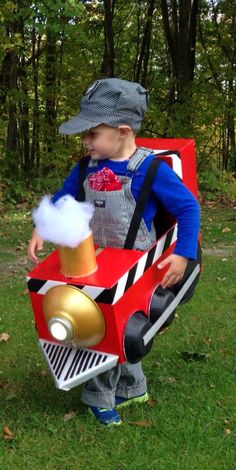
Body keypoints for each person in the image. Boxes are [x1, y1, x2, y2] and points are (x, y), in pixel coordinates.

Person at [28, 78, 200, 426]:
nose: (85, 141)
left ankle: (104, 396)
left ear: (122, 131)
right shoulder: (85, 169)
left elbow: (188, 208)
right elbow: (64, 198)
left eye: (92, 133)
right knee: (105, 327)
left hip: (135, 264)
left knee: (116, 331)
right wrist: (41, 227)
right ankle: (130, 387)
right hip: (95, 263)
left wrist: (182, 253)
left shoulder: (150, 170)